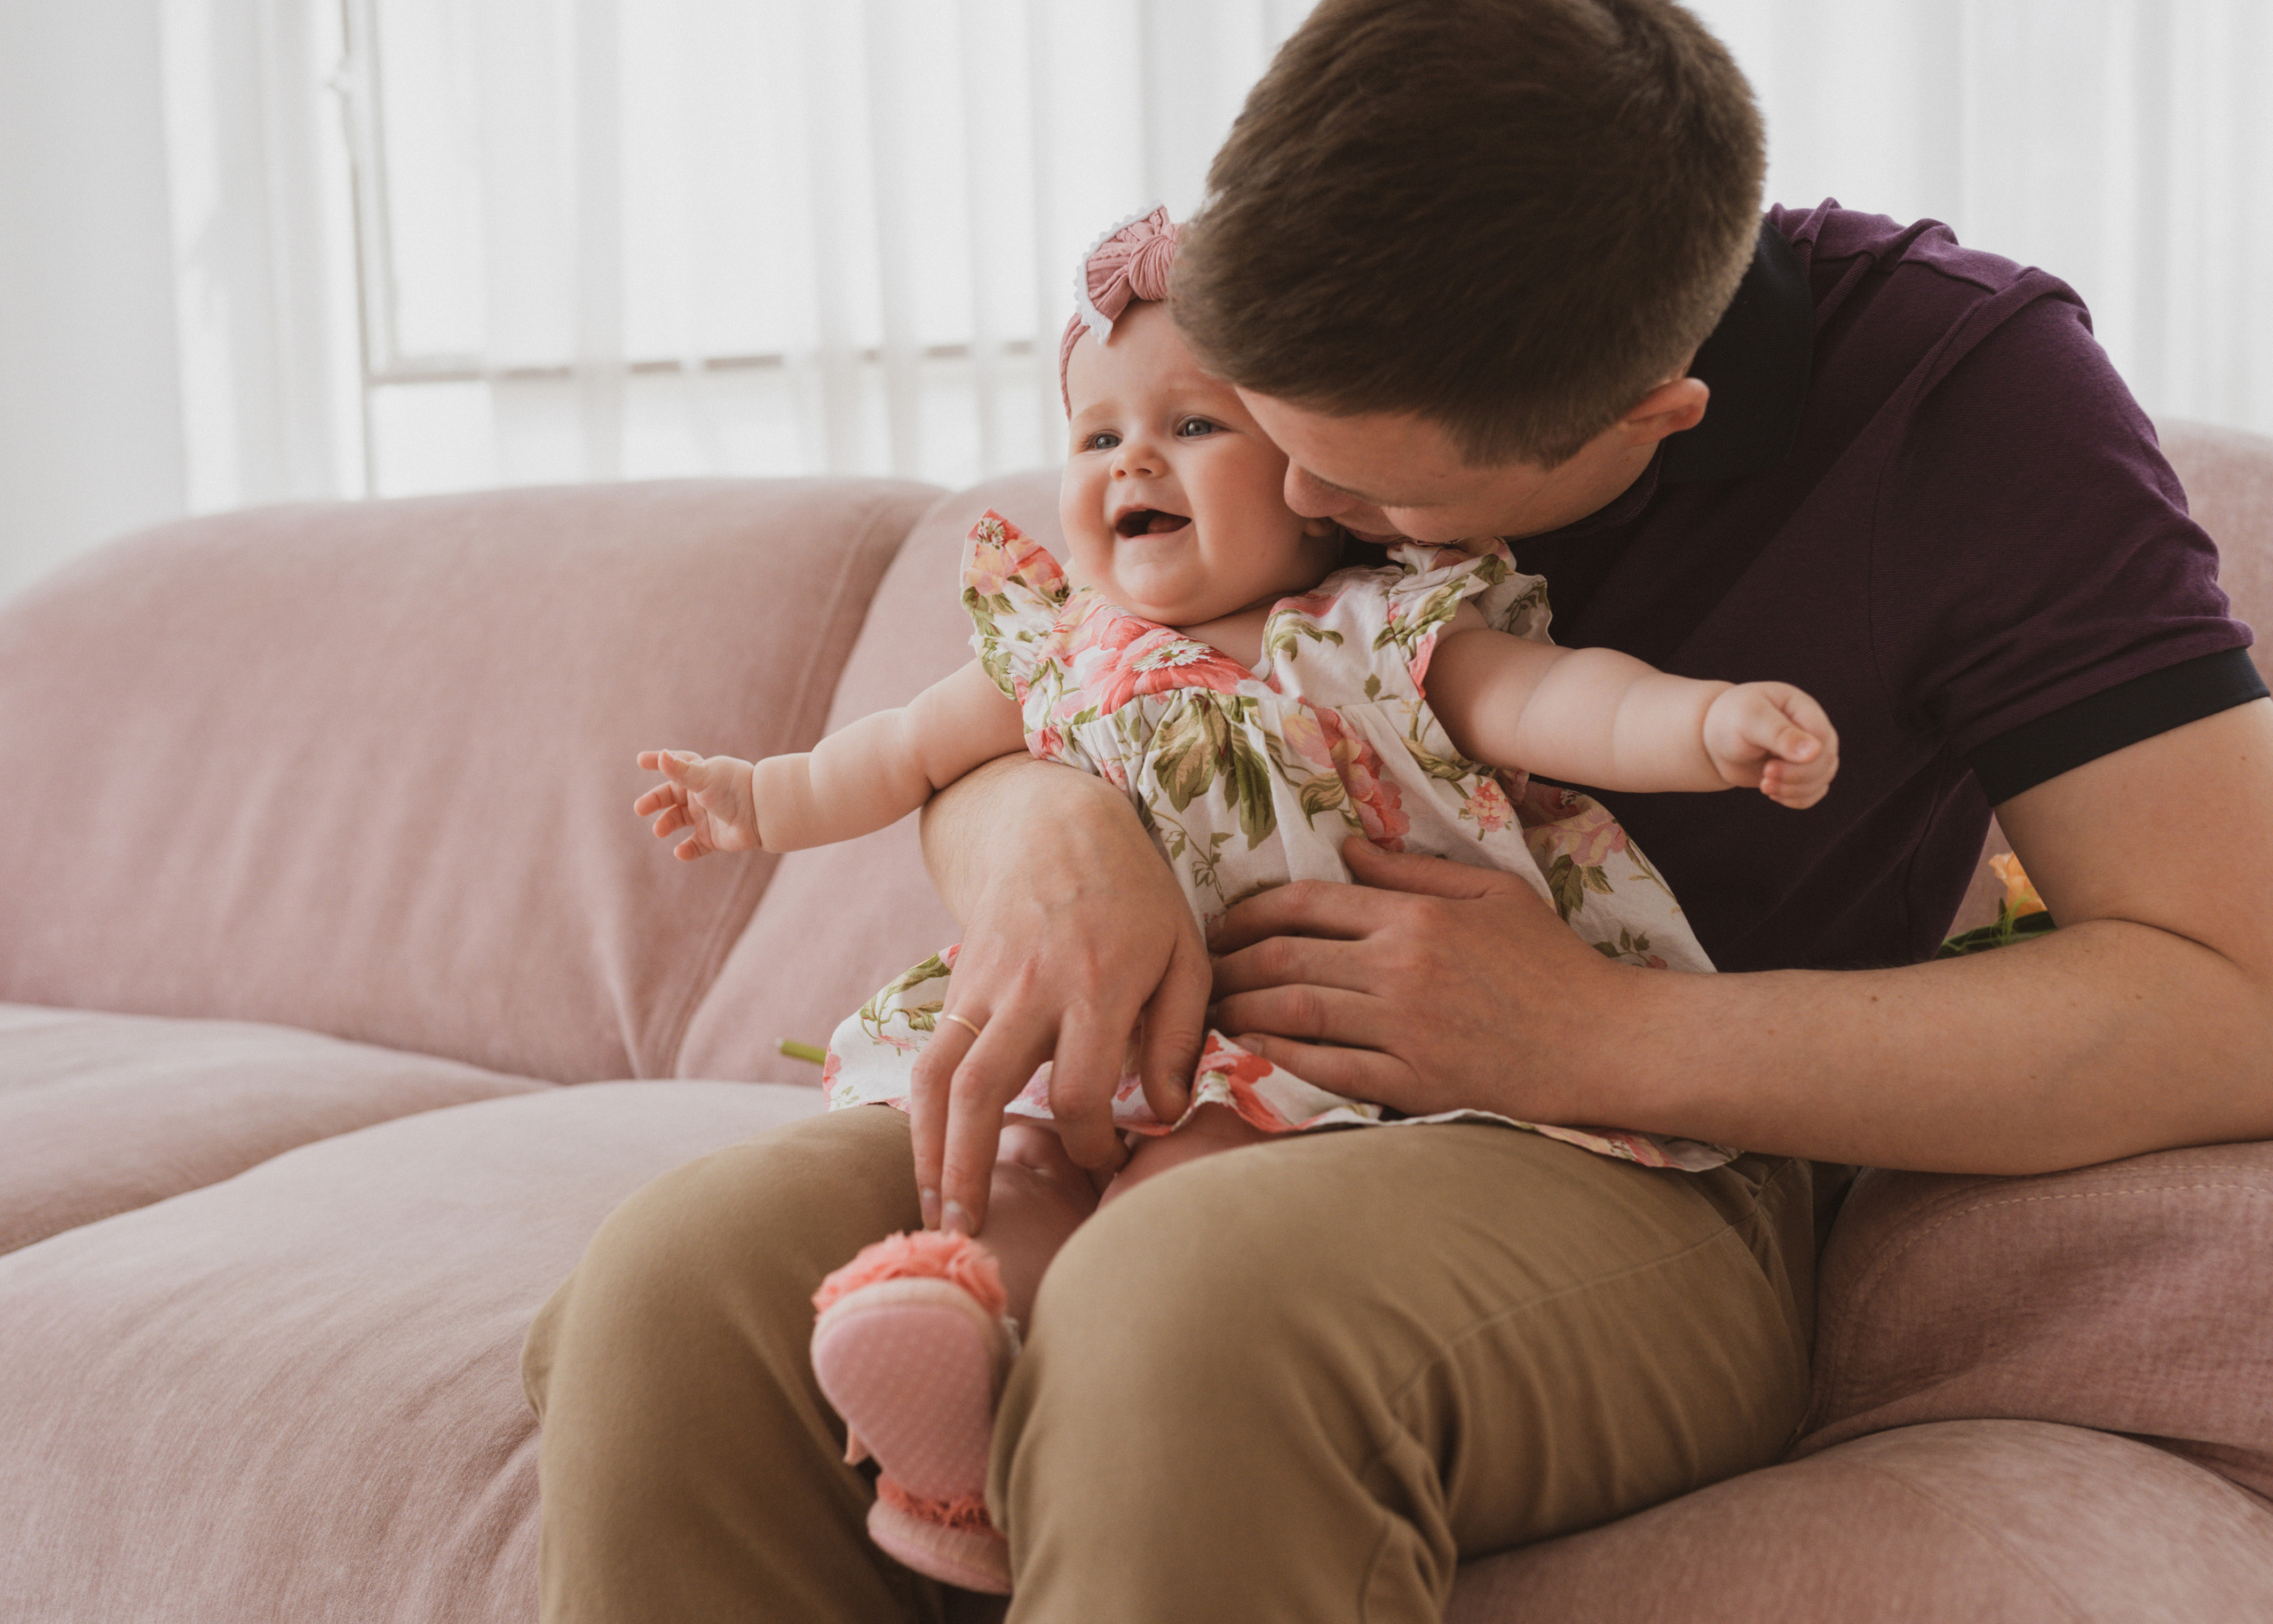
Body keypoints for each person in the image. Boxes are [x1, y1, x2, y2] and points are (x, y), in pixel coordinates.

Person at [519, 2, 2273, 1620]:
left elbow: (2230, 993)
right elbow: (1070, 683)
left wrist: (1593, 1038)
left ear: (1651, 420)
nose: (1281, 503)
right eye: (1250, 429)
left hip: (1633, 1164)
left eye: (1357, 489)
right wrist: (1048, 828)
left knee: (1175, 1316)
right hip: (1180, 1087)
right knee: (676, 1293)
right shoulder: (1298, 314)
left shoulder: (1964, 410)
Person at [626, 206, 1838, 1594]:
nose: (1132, 461)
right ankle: (947, 1419)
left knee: (1163, 1230)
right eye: (1097, 437)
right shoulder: (1063, 648)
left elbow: (1567, 698)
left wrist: (1711, 725)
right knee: (1001, 1176)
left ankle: (1041, 1408)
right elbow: (896, 754)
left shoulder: (1374, 634)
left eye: (1196, 428)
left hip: (1292, 1059)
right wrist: (756, 798)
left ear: (1319, 472)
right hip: (1085, 1044)